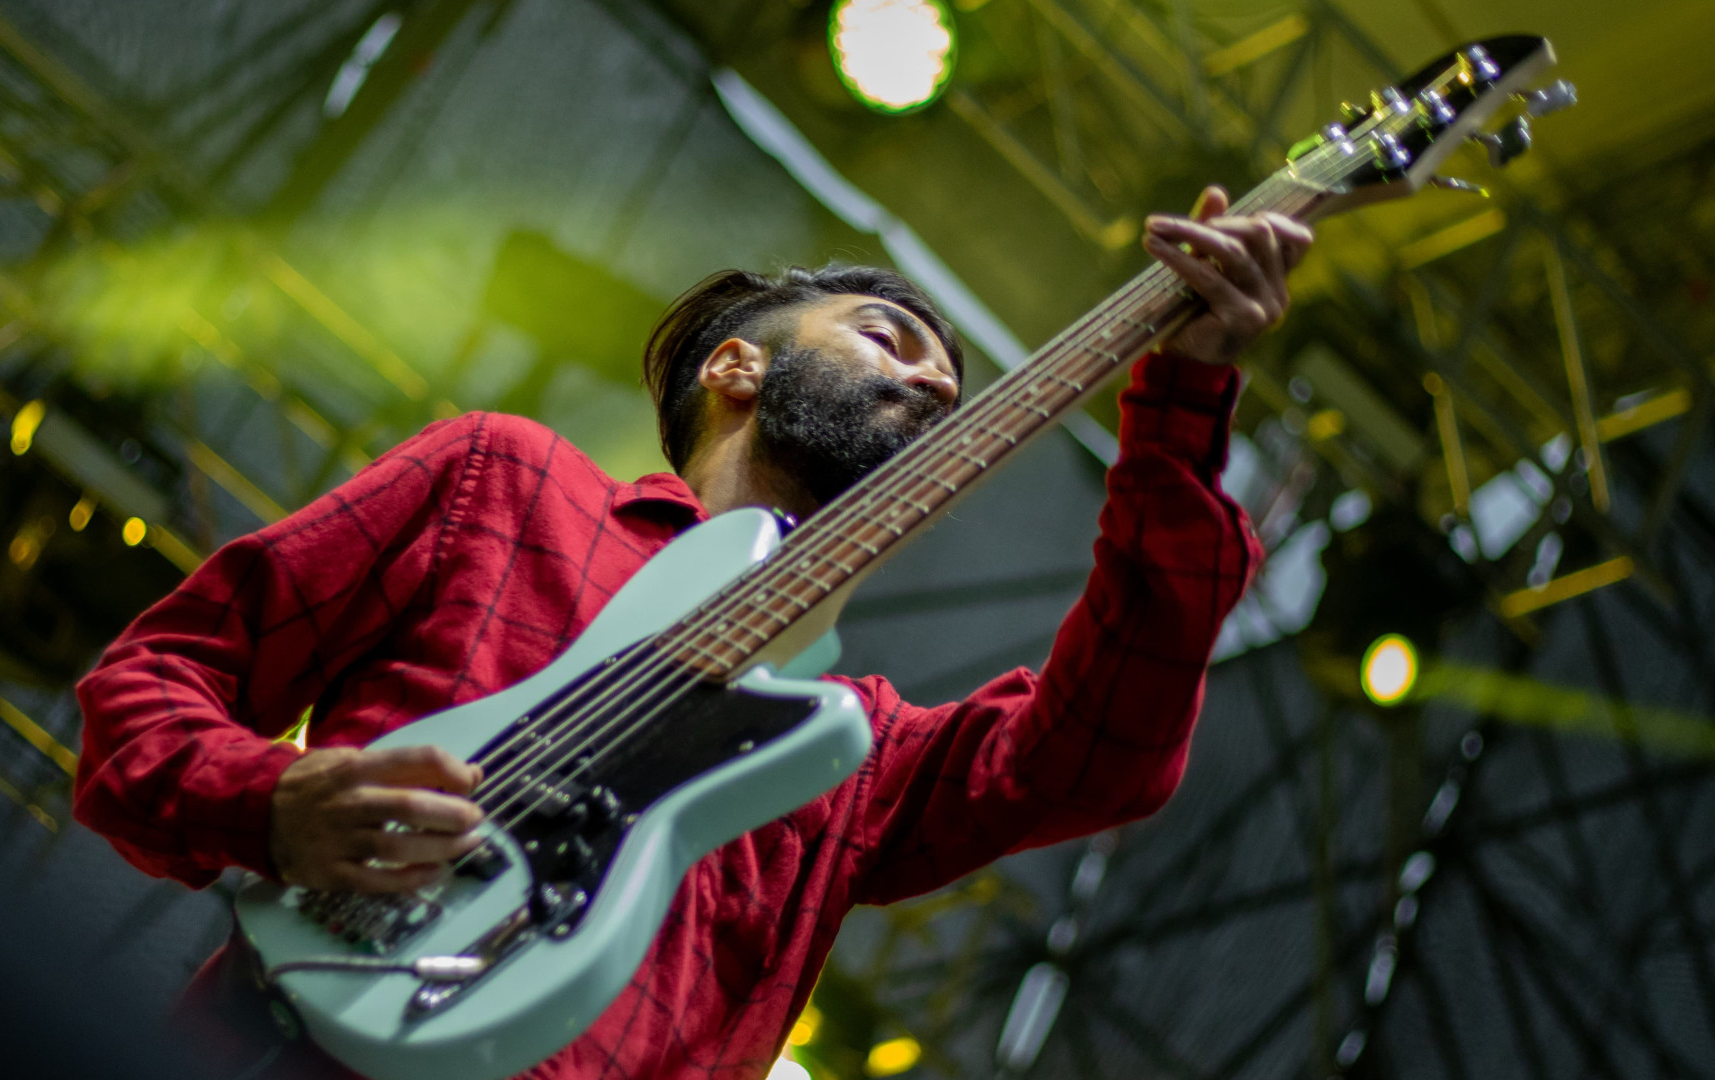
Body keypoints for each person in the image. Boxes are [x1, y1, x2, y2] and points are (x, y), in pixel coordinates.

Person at [74, 187, 1311, 1078]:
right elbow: (153, 680)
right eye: (892, 340)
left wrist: (1187, 398)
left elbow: (1101, 750)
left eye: (954, 389)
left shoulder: (857, 752)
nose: (938, 386)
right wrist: (274, 803)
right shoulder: (503, 483)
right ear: (736, 367)